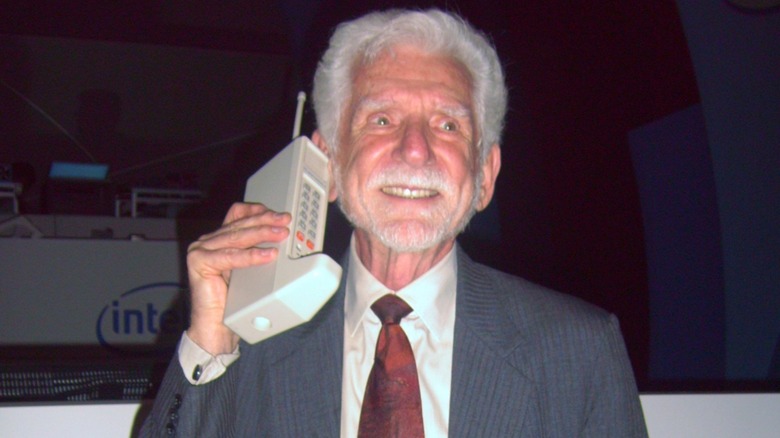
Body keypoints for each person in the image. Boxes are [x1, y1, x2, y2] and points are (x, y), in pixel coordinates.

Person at [141, 9, 647, 437]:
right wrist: (211, 343)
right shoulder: (249, 343)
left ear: (485, 175)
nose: (415, 149)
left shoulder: (579, 350)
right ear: (329, 165)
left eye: (448, 125)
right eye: (381, 119)